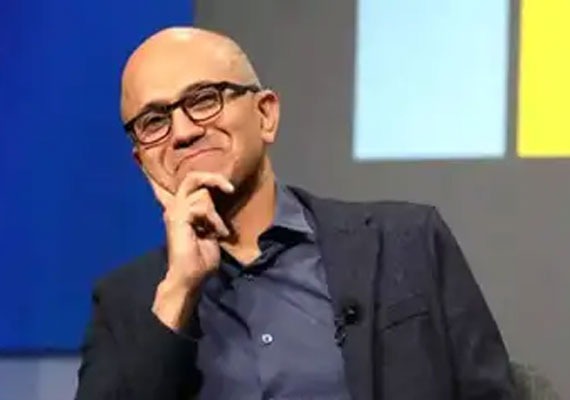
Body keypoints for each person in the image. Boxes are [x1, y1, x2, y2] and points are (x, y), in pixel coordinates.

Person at [75, 27, 516, 400]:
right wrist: (178, 292)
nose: (184, 131)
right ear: (142, 161)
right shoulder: (125, 304)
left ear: (265, 114)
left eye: (205, 99)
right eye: (154, 122)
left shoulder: (407, 242)